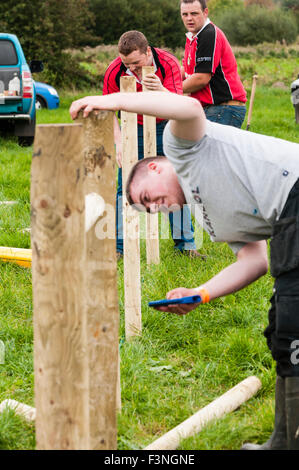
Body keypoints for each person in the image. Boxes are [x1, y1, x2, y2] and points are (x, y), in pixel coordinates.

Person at [70, 90, 299, 450]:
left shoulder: (182, 149)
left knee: (294, 321)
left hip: (294, 193)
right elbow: (255, 261)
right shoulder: (210, 221)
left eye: (147, 198)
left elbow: (189, 107)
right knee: (283, 328)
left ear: (156, 167)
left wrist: (113, 101)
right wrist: (202, 293)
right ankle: (283, 441)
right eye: (149, 211)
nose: (155, 208)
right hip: (288, 219)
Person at [102, 30, 203, 259]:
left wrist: (160, 89)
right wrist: (118, 143)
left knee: (175, 184)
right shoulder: (114, 70)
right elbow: (108, 111)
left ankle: (185, 245)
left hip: (166, 124)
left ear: (148, 52)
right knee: (125, 185)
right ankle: (119, 247)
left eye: (137, 63)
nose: (133, 69)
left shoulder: (168, 63)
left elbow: (179, 105)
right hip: (132, 127)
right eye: (127, 64)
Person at [180, 0, 247, 128]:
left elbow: (201, 78)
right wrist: (165, 80)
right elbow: (187, 70)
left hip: (224, 108)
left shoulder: (208, 34)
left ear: (205, 12)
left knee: (208, 148)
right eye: (185, 14)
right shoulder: (192, 37)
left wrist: (171, 90)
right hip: (215, 108)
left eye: (194, 13)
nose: (189, 18)